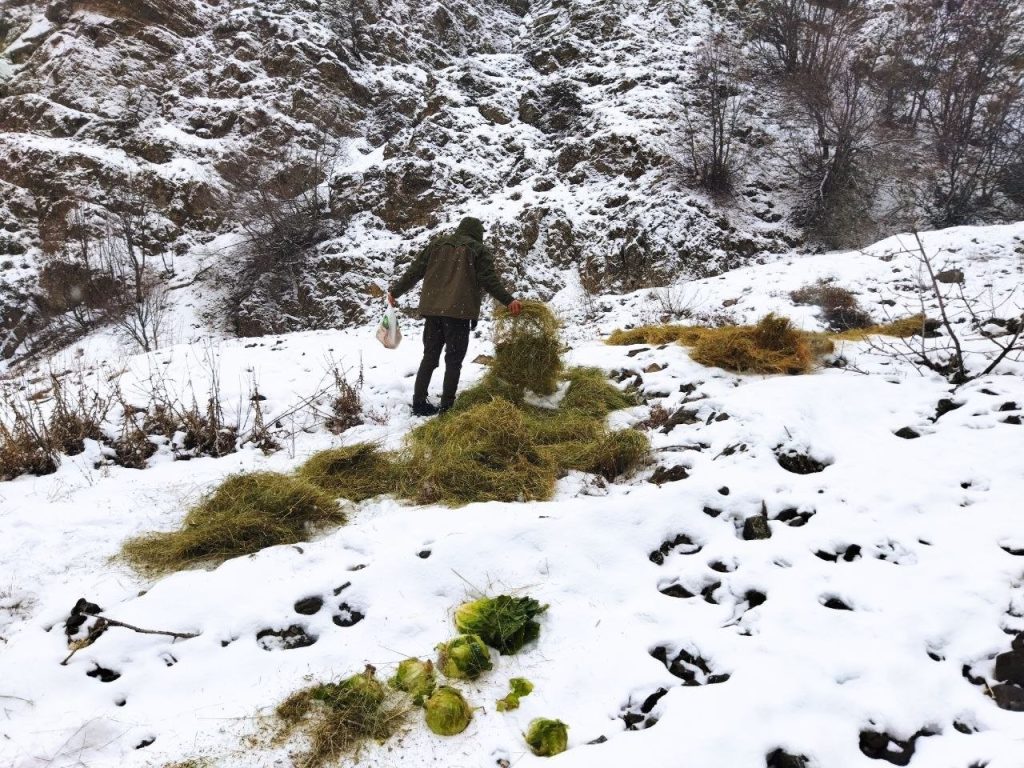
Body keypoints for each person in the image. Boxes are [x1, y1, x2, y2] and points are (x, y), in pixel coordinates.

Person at [388, 216, 522, 416]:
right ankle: (447, 406)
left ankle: (419, 403)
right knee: (453, 360)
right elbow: (489, 280)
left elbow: (414, 272)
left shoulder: (436, 245)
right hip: (458, 313)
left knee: (429, 357)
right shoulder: (478, 249)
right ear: (477, 234)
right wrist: (509, 300)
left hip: (433, 312)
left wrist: (395, 292)